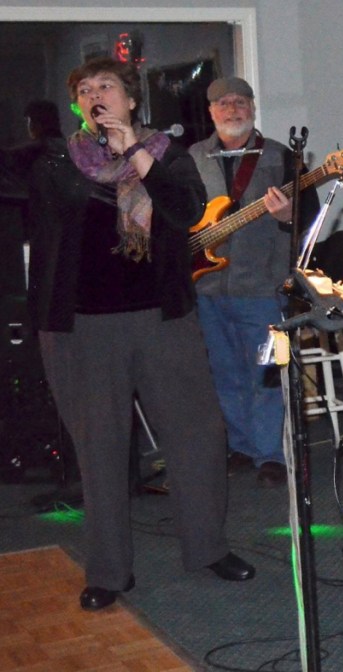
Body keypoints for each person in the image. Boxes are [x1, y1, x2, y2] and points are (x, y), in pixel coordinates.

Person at [26, 57, 255, 611]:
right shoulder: (58, 160)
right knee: (100, 449)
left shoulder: (169, 156)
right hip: (83, 328)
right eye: (85, 89)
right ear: (78, 104)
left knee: (196, 436)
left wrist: (133, 151)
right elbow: (59, 209)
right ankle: (109, 572)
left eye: (106, 86)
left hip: (162, 319)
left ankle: (207, 548)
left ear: (130, 100)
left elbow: (185, 211)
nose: (95, 94)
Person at [189, 76, 316, 488]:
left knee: (264, 376)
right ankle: (240, 447)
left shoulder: (282, 158)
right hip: (206, 288)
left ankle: (270, 455)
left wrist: (286, 219)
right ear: (210, 112)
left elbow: (310, 223)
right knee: (223, 374)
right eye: (223, 102)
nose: (232, 109)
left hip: (262, 286)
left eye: (240, 101)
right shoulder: (191, 158)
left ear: (253, 107)